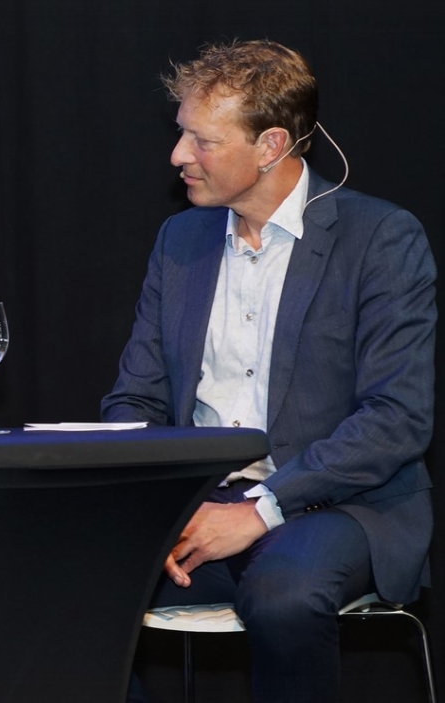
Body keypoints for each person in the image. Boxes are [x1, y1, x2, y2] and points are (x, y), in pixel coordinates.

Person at [101, 40, 435, 702]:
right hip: (200, 504)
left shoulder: (381, 240)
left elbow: (396, 419)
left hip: (336, 504)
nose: (178, 157)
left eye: (201, 141)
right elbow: (134, 398)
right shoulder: (181, 241)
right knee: (76, 583)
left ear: (271, 145)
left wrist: (262, 507)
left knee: (283, 594)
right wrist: (155, 509)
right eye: (181, 136)